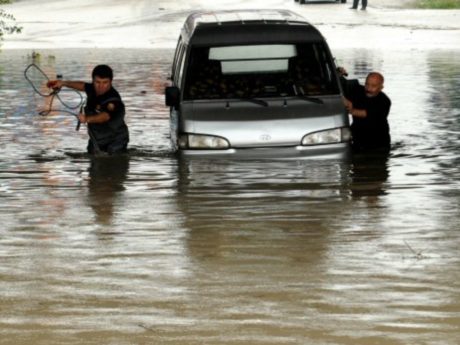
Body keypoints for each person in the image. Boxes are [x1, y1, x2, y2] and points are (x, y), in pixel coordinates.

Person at [47, 64, 129, 154]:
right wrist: (63, 83)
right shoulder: (92, 89)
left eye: (105, 82)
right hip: (97, 138)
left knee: (113, 158)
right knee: (92, 157)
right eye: (97, 82)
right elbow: (82, 85)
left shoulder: (113, 99)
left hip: (116, 139)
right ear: (93, 81)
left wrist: (86, 119)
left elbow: (105, 116)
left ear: (111, 82)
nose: (101, 86)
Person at [341, 70, 391, 152]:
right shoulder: (357, 91)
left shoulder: (384, 101)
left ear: (381, 88)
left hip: (378, 145)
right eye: (367, 84)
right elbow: (340, 87)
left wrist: (351, 110)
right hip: (357, 141)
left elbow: (367, 114)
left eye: (373, 86)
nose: (368, 88)